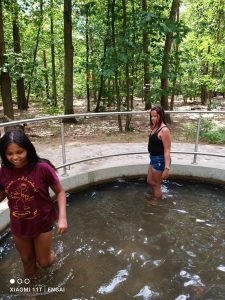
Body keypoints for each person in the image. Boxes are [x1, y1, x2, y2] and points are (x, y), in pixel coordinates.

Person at [0, 130, 68, 277]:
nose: (15, 157)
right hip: (19, 223)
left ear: (28, 149)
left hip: (42, 222)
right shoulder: (3, 172)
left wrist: (62, 218)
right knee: (27, 260)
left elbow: (60, 192)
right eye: (9, 154)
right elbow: (2, 194)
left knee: (44, 262)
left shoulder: (42, 168)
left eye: (20, 152)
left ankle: (53, 255)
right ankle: (31, 292)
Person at [147, 105, 171, 200]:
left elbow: (167, 150)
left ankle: (157, 203)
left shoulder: (164, 130)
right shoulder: (155, 127)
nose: (152, 118)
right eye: (151, 116)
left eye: (155, 116)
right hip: (153, 159)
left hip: (160, 160)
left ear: (160, 116)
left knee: (156, 185)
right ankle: (159, 194)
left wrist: (167, 168)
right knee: (149, 181)